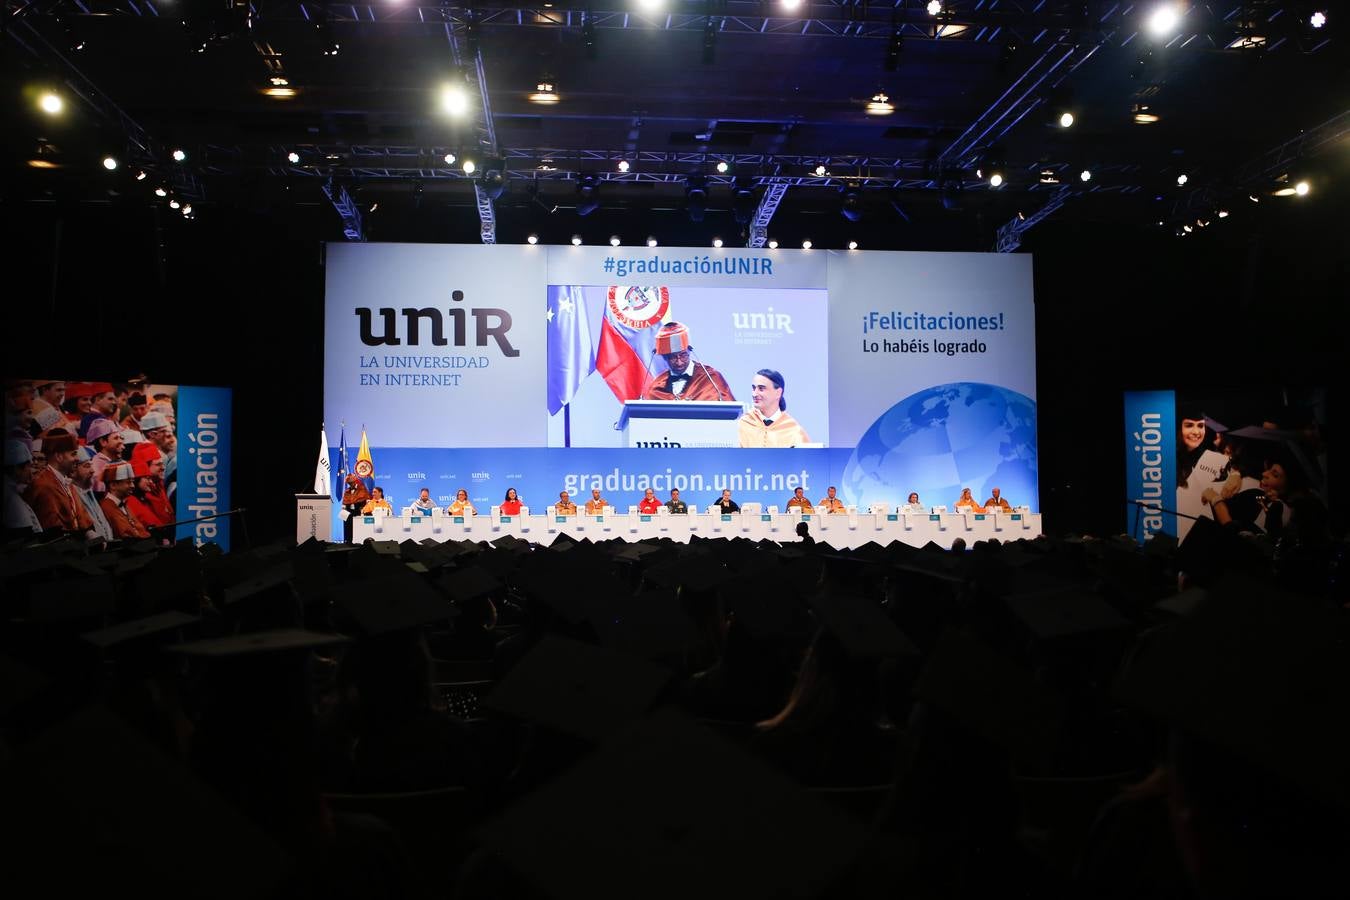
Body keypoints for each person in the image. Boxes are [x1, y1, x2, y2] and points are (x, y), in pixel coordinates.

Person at [22, 428, 94, 537]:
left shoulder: (66, 482)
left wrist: (89, 532)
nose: (77, 458)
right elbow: (54, 532)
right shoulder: (43, 485)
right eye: (73, 454)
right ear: (59, 457)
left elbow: (81, 519)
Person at [640, 321, 735, 402]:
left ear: (689, 351)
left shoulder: (711, 378)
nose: (679, 362)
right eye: (673, 357)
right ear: (665, 358)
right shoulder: (657, 386)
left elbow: (731, 413)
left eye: (683, 355)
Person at [738, 369, 811, 448]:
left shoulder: (793, 431)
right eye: (753, 388)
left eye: (761, 389)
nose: (755, 394)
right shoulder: (743, 425)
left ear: (778, 393)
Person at [72, 446, 114, 542]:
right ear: (72, 471)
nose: (93, 470)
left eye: (91, 465)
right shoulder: (71, 494)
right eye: (87, 466)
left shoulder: (89, 491)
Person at [99, 462, 151, 540]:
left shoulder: (123, 504)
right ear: (113, 485)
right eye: (128, 482)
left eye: (132, 482)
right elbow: (126, 534)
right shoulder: (107, 506)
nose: (133, 486)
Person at [3, 439, 42, 534]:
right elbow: (24, 535)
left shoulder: (12, 491)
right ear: (17, 469)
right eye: (28, 466)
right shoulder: (11, 498)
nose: (30, 470)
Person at [341, 474, 370, 543]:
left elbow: (366, 500)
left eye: (351, 482)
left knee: (357, 528)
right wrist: (343, 508)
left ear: (355, 481)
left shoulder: (362, 488)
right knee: (347, 526)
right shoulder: (347, 491)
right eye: (349, 483)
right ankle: (347, 541)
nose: (350, 484)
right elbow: (345, 502)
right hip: (348, 511)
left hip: (358, 511)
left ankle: (358, 542)